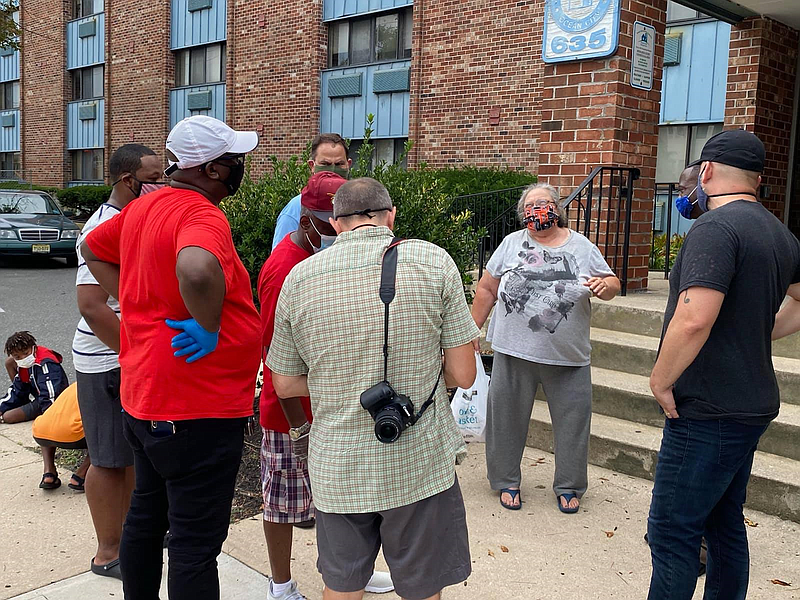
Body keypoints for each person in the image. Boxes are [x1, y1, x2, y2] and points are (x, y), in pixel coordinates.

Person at [267, 177, 479, 600]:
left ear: (335, 223)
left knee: (342, 584)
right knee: (422, 587)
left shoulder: (299, 278)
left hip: (337, 466)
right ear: (391, 216)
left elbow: (285, 383)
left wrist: (335, 380)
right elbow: (464, 375)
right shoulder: (434, 262)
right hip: (419, 462)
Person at [81, 115, 262, 600]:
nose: (241, 166)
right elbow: (198, 269)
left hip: (146, 398)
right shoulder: (201, 214)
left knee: (147, 512)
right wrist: (206, 325)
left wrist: (138, 301)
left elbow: (89, 246)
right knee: (194, 543)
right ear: (213, 170)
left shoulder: (144, 206)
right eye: (235, 160)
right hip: (196, 405)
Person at [647, 129, 800, 600]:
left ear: (707, 171)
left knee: (673, 531)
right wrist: (755, 329)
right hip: (750, 402)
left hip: (706, 406)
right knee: (723, 521)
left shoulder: (714, 229)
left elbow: (693, 320)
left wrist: (661, 379)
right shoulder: (781, 233)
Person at [470, 183, 620, 513]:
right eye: (532, 204)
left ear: (558, 209)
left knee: (573, 425)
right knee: (505, 420)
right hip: (514, 350)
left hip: (568, 355)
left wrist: (603, 286)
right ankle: (506, 479)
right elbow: (486, 289)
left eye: (547, 203)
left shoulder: (581, 246)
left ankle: (569, 485)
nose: (540, 209)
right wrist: (470, 333)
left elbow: (612, 283)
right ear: (523, 213)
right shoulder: (511, 244)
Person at [73, 143, 164, 581]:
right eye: (155, 176)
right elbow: (92, 304)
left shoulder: (135, 218)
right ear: (130, 180)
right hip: (105, 359)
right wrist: (132, 355)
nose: (162, 183)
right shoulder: (103, 226)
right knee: (107, 460)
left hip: (125, 358)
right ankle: (107, 552)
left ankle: (128, 535)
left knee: (127, 456)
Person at [1, 331, 70, 488]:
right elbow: (17, 389)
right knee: (7, 414)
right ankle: (49, 472)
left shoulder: (45, 363)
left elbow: (52, 394)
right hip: (40, 399)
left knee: (13, 417)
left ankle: (49, 471)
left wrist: (48, 417)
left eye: (25, 353)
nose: (23, 358)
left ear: (33, 348)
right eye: (17, 357)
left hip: (54, 401)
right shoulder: (24, 365)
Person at [271, 133, 352, 250]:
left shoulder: (357, 203)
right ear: (312, 165)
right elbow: (282, 252)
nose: (333, 170)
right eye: (325, 164)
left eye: (339, 164)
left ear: (348, 164)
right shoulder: (295, 208)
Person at [31, 382, 91, 493]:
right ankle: (81, 475)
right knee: (107, 431)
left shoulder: (78, 383)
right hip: (72, 434)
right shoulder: (107, 384)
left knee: (48, 424)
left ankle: (49, 472)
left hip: (40, 430)